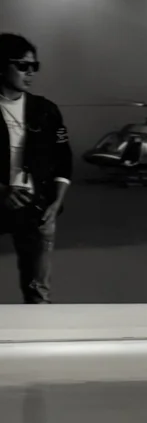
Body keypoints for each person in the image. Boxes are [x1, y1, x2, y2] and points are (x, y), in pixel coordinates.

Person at [0, 33, 72, 304]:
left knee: (39, 293)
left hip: (36, 209)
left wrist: (57, 202)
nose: (30, 72)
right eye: (22, 65)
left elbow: (63, 158)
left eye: (34, 66)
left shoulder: (46, 110)